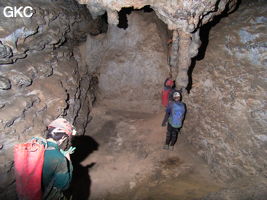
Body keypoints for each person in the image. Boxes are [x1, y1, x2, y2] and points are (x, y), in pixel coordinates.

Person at [42, 118, 77, 200]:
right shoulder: (60, 159)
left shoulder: (37, 144)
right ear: (63, 138)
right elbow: (64, 185)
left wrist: (59, 152)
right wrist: (68, 161)